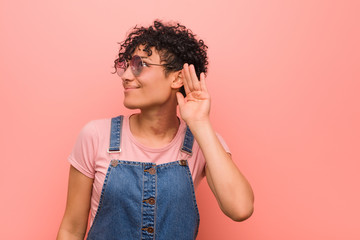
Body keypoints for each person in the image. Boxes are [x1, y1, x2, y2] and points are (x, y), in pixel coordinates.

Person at [57, 20, 254, 240]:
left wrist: (200, 122)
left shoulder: (202, 142)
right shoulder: (95, 136)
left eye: (140, 65)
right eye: (127, 66)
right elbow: (71, 230)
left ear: (177, 77)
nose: (126, 76)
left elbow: (240, 208)